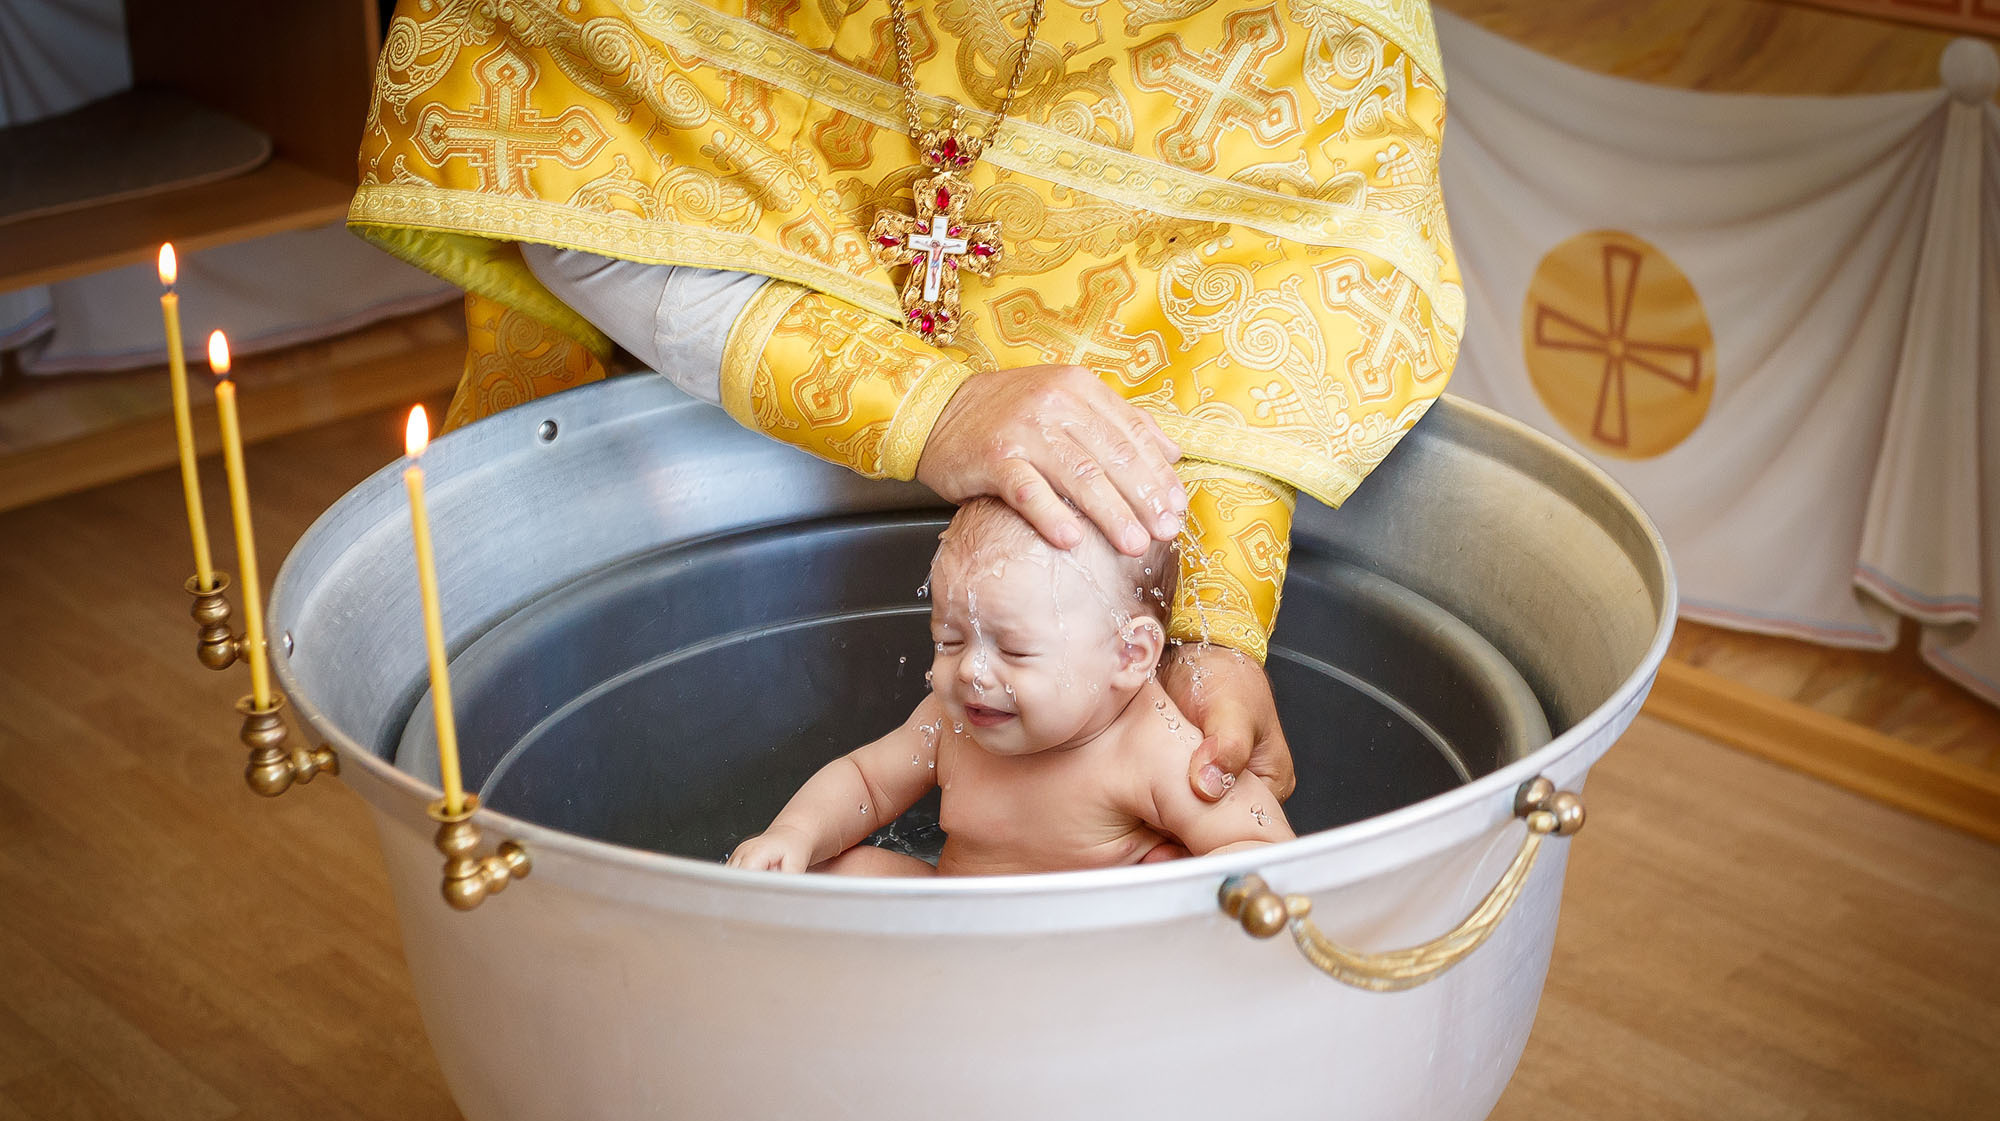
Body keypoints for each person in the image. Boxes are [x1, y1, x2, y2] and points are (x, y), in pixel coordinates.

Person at [351, 0, 1463, 819]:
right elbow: (559, 146)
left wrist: (1210, 625)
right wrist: (926, 403)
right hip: (689, 452)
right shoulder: (952, 705)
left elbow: (1288, 287)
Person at [729, 497, 1294, 875]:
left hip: (1086, 958)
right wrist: (795, 835)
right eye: (950, 640)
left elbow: (1266, 849)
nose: (972, 672)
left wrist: (1181, 895)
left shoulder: (1157, 747)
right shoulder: (952, 722)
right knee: (834, 873)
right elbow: (867, 783)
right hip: (956, 925)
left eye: (1016, 650)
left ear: (1130, 654)